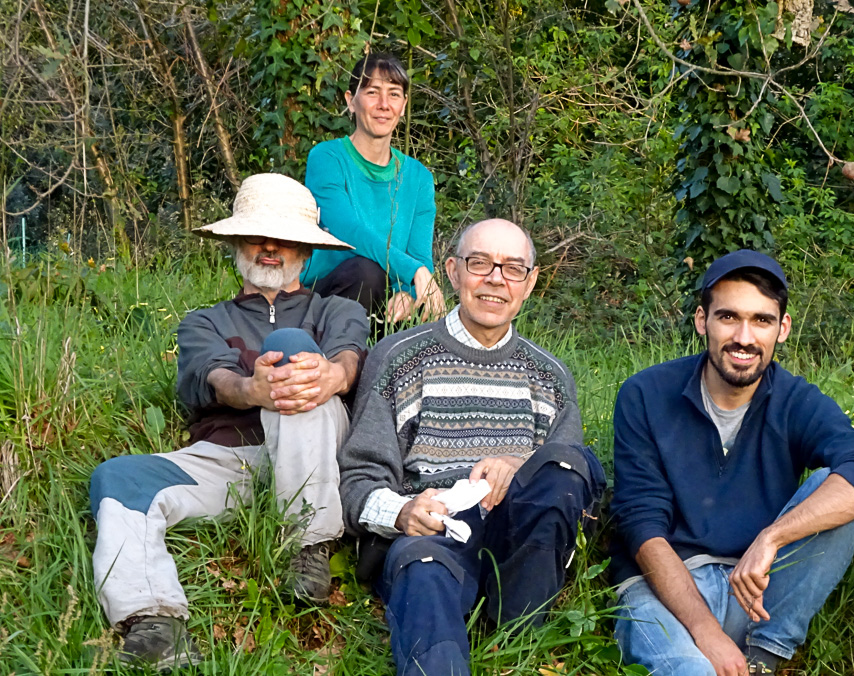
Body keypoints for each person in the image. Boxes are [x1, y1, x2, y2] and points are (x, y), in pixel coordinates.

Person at [88, 173, 369, 671]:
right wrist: (249, 390)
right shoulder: (204, 321)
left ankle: (308, 543)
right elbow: (212, 376)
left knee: (294, 352)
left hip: (317, 456)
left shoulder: (337, 309)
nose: (269, 248)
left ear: (305, 251)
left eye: (283, 239)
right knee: (119, 477)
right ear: (237, 243)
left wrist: (333, 375)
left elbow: (348, 356)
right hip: (230, 460)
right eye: (257, 236)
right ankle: (155, 622)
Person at [338, 218, 605, 676]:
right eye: (480, 263)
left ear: (530, 283)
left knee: (566, 463)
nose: (496, 279)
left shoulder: (551, 376)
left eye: (513, 268)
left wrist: (519, 465)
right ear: (453, 271)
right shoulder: (399, 358)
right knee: (422, 565)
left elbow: (569, 485)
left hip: (518, 542)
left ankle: (518, 635)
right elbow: (358, 478)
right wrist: (402, 513)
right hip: (433, 533)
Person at [610, 250, 854, 676]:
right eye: (728, 317)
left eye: (762, 320)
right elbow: (640, 525)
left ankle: (763, 659)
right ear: (702, 320)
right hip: (665, 590)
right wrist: (706, 632)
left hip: (755, 590)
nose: (744, 337)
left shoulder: (795, 400)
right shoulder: (646, 394)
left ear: (783, 328)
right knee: (693, 672)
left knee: (835, 487)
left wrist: (772, 538)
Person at [302, 52, 446, 324]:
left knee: (424, 303)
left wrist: (408, 293)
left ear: (403, 105)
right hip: (329, 296)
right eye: (372, 92)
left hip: (387, 305)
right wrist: (413, 271)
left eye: (394, 94)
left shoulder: (419, 178)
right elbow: (348, 232)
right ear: (351, 101)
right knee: (367, 272)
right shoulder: (327, 158)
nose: (384, 104)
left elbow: (420, 256)